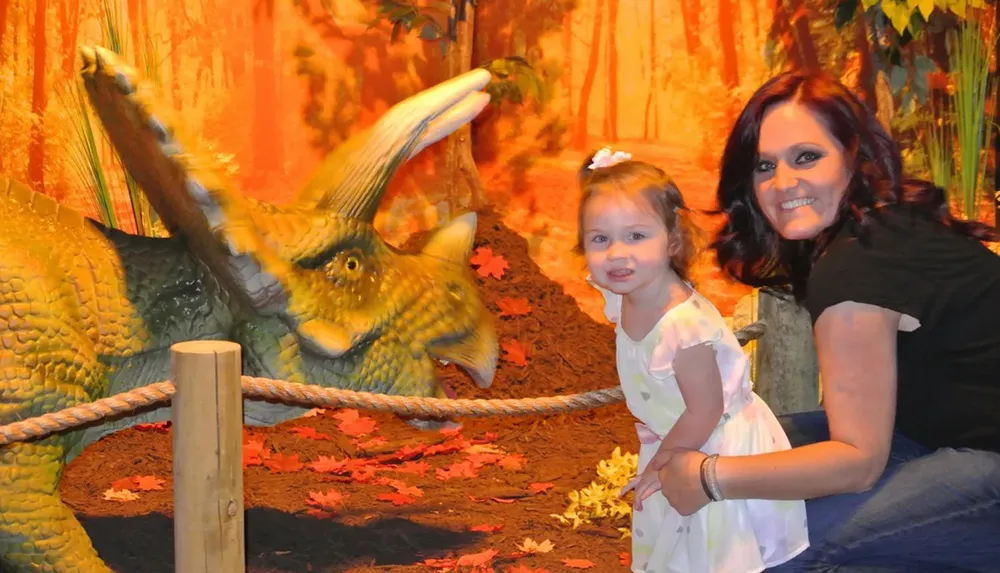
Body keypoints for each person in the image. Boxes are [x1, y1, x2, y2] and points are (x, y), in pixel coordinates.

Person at [655, 70, 1000, 572]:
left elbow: (858, 461)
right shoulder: (875, 225)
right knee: (743, 440)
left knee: (779, 550)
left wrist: (710, 478)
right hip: (926, 437)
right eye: (765, 166)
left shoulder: (858, 266)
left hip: (982, 463)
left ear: (853, 158)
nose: (783, 183)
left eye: (806, 157)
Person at [578, 146, 810, 573]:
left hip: (711, 446)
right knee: (674, 550)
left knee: (709, 553)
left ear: (672, 240)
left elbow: (707, 409)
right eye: (600, 239)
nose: (616, 253)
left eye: (635, 236)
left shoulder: (681, 326)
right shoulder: (623, 293)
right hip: (679, 437)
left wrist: (665, 461)